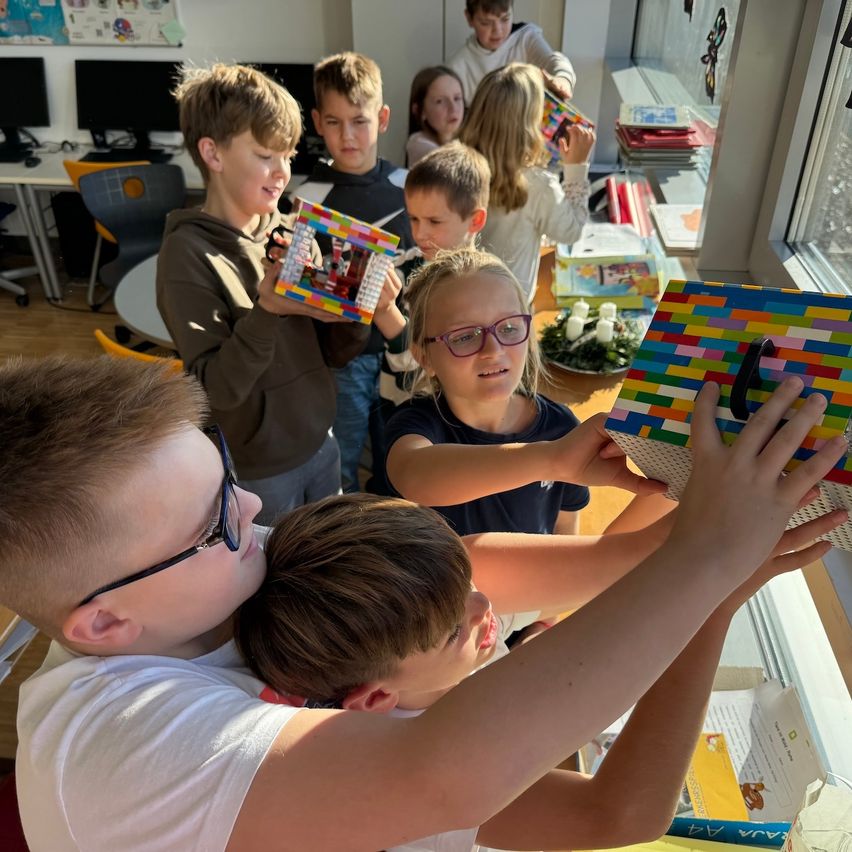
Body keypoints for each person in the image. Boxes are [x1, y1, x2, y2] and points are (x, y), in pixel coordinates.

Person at [5, 355, 845, 850]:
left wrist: (688, 546)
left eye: (226, 476)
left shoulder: (197, 578)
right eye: (216, 518)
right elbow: (451, 775)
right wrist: (702, 566)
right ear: (105, 623)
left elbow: (464, 566)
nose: (255, 512)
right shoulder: (105, 744)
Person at [235, 490, 839, 852]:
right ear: (373, 700)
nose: (483, 606)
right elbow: (619, 813)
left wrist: (683, 468)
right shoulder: (398, 785)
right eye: (454, 628)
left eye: (467, 579)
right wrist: (718, 603)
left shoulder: (437, 595)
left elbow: (621, 556)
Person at [155, 64, 393, 523]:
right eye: (267, 155)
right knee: (279, 579)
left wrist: (359, 306)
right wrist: (268, 309)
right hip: (259, 471)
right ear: (213, 154)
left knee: (329, 555)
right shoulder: (187, 256)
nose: (283, 172)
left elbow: (334, 353)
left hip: (322, 442)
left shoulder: (289, 231)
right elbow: (215, 390)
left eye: (288, 156)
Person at [386, 248, 596, 536]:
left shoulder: (561, 427)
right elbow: (413, 474)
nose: (493, 350)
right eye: (464, 336)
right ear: (424, 357)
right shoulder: (416, 425)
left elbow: (565, 531)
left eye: (509, 328)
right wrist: (555, 458)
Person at [303, 51, 414, 493]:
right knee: (342, 455)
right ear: (317, 121)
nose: (347, 135)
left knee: (401, 453)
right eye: (334, 122)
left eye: (359, 120)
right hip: (339, 359)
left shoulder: (410, 187)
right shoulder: (306, 198)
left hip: (401, 351)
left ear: (383, 118)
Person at [459, 62, 595, 300]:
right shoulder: (538, 185)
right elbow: (570, 231)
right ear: (531, 125)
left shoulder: (458, 165)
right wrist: (576, 169)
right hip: (511, 312)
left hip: (465, 298)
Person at [448, 0, 576, 104]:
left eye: (505, 19)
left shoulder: (526, 38)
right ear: (469, 18)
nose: (497, 31)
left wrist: (562, 79)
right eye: (486, 23)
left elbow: (554, 61)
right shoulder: (457, 67)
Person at [406, 65, 465, 167]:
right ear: (419, 110)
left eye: (457, 98)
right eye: (440, 101)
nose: (453, 108)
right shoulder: (419, 146)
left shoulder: (468, 137)